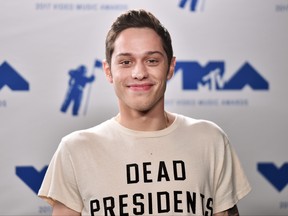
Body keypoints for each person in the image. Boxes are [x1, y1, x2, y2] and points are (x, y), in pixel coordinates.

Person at [38, 9, 251, 216]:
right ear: (108, 71)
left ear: (170, 67)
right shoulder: (75, 150)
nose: (139, 73)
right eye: (126, 62)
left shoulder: (210, 140)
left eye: (152, 61)